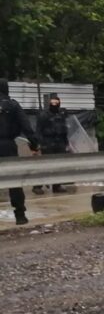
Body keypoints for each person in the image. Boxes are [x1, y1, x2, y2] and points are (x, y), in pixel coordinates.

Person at [0, 78, 40, 225]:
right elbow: (26, 126)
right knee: (14, 181)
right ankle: (20, 214)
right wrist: (34, 144)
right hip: (8, 145)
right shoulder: (13, 105)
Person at [33, 94, 70, 194]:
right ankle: (37, 186)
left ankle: (56, 186)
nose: (54, 104)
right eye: (52, 102)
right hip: (48, 143)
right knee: (45, 166)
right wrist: (39, 144)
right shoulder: (44, 115)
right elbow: (38, 131)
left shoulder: (61, 114)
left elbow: (64, 129)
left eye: (56, 102)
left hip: (59, 143)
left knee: (58, 166)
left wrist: (66, 143)